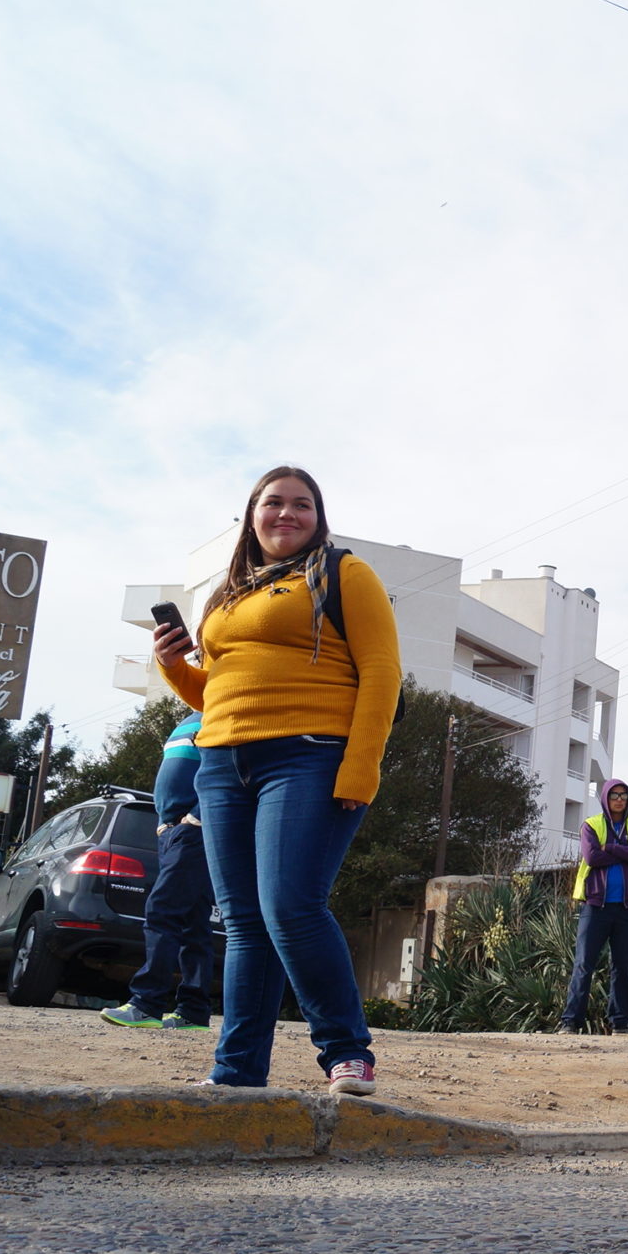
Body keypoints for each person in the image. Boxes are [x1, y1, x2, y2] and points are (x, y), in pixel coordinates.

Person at [152, 465, 401, 1096]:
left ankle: (347, 1052)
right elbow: (217, 694)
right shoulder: (229, 594)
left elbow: (382, 672)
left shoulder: (344, 573)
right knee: (243, 922)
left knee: (291, 907)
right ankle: (237, 1071)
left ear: (319, 518)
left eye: (302, 504)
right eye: (274, 502)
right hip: (220, 762)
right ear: (252, 514)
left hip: (309, 756)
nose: (286, 513)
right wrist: (173, 666)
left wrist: (362, 766)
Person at [101, 711, 215, 1030]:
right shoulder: (189, 717)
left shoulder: (222, 708)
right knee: (194, 922)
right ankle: (193, 1011)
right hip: (174, 831)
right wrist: (165, 824)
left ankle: (145, 1004)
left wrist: (196, 817)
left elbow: (230, 769)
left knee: (162, 911)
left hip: (193, 831)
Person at [559, 778, 628, 1036]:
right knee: (584, 964)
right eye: (614, 795)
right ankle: (570, 1022)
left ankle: (621, 1023)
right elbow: (592, 857)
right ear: (606, 798)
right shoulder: (591, 824)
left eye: (623, 795)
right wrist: (625, 852)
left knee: (622, 967)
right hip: (595, 906)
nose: (619, 799)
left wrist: (609, 847)